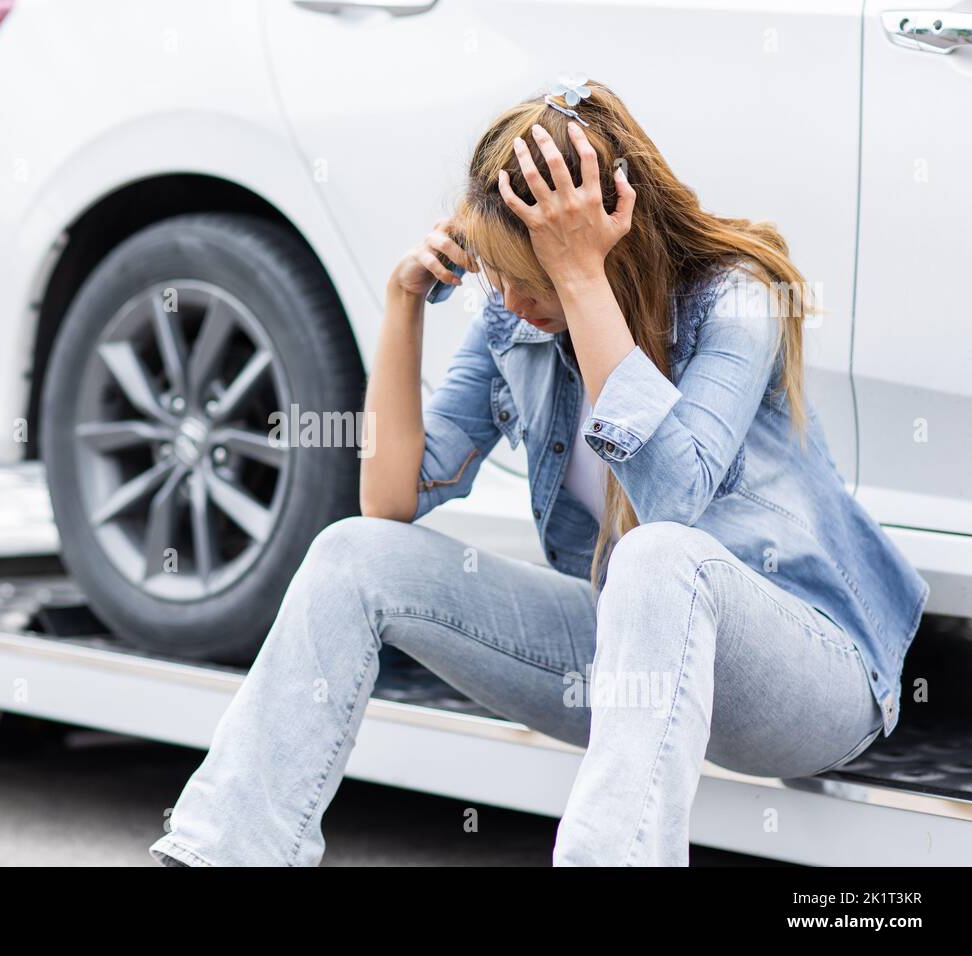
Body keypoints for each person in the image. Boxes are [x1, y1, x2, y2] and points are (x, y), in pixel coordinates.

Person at [148, 77, 928, 866]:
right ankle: (224, 852)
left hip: (811, 678)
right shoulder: (514, 320)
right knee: (351, 553)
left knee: (655, 556)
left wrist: (582, 281)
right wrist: (403, 305)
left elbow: (670, 501)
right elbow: (388, 502)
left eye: (539, 274)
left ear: (606, 233)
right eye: (502, 274)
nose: (516, 301)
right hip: (632, 665)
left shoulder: (736, 301)